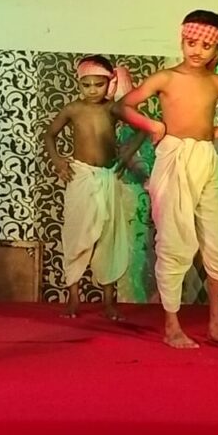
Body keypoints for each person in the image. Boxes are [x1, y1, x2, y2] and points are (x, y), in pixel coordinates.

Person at [115, 10, 218, 349]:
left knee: (216, 244)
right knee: (174, 240)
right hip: (174, 157)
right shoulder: (166, 78)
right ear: (182, 41)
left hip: (204, 159)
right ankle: (172, 327)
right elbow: (122, 106)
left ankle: (216, 325)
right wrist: (153, 126)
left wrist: (216, 131)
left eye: (206, 45)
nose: (197, 50)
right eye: (192, 42)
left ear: (217, 49)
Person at [43, 55, 141, 320]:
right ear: (79, 84)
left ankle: (109, 302)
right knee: (76, 235)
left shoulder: (113, 109)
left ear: (108, 84)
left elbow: (144, 127)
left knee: (108, 236)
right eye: (86, 85)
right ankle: (73, 298)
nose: (92, 90)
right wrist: (57, 161)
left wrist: (127, 155)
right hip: (81, 176)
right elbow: (49, 135)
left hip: (107, 177)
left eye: (99, 85)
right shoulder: (73, 109)